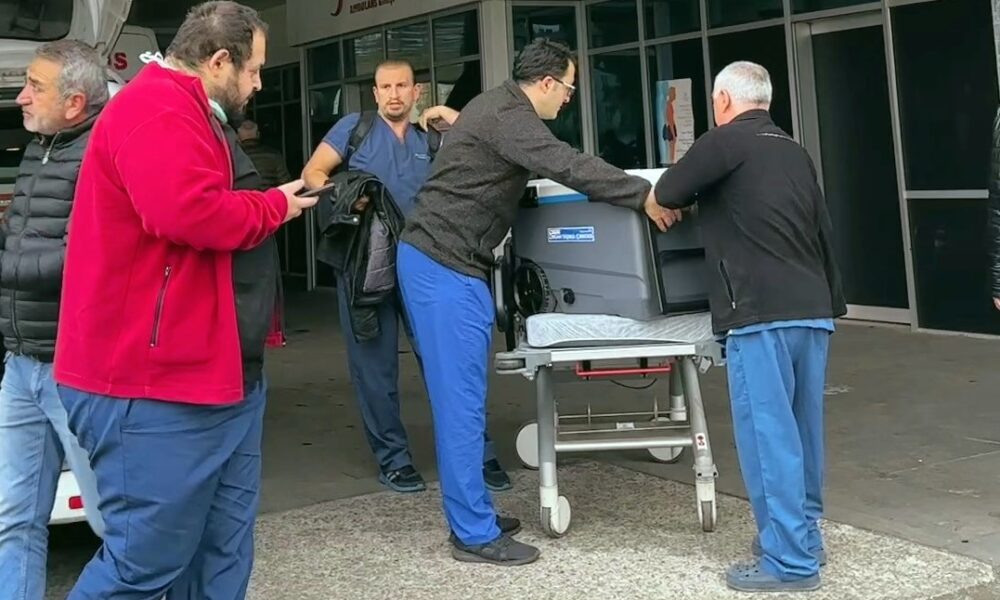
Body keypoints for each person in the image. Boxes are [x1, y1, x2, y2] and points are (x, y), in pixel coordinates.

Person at [52, 2, 312, 598]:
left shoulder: (191, 111)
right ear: (219, 61)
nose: (259, 83)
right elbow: (189, 212)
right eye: (254, 70)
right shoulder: (156, 109)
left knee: (220, 554)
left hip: (218, 380)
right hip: (153, 389)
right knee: (143, 565)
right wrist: (274, 206)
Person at [396, 38, 680, 567]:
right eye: (568, 89)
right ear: (546, 83)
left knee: (465, 400)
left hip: (449, 264)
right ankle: (473, 533)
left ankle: (474, 512)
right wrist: (643, 193)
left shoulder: (495, 106)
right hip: (443, 266)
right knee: (459, 405)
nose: (568, 99)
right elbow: (567, 164)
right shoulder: (512, 117)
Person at [652, 61, 846, 593]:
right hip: (812, 310)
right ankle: (805, 537)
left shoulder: (723, 142)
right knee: (803, 433)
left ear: (721, 100)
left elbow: (668, 190)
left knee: (768, 438)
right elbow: (822, 228)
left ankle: (790, 563)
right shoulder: (794, 150)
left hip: (760, 314)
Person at [301, 59, 514, 494]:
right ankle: (394, 460)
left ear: (417, 92)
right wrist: (344, 195)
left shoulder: (431, 136)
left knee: (449, 365)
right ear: (375, 93)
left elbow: (488, 150)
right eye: (385, 87)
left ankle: (479, 455)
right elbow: (312, 173)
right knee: (374, 370)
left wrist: (454, 118)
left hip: (427, 264)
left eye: (402, 86)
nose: (394, 94)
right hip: (365, 266)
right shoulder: (354, 129)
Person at [0, 39, 108, 600]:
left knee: (111, 521)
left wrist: (6, 268)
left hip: (76, 371)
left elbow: (88, 255)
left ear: (74, 103)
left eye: (34, 87)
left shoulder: (102, 154)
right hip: (21, 365)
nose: (21, 97)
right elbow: (22, 237)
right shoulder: (37, 148)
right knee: (13, 519)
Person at [237, 118, 292, 187]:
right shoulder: (274, 155)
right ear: (258, 135)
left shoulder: (234, 157)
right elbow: (285, 183)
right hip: (269, 193)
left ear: (238, 137)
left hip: (243, 194)